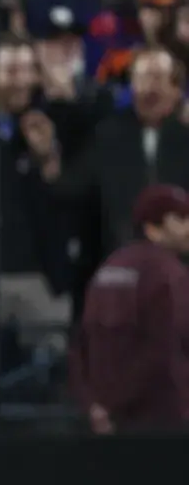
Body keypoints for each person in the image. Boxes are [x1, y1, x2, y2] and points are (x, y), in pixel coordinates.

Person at [70, 184, 189, 434]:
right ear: (152, 228)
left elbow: (79, 345)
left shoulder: (107, 267)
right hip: (161, 421)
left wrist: (95, 406)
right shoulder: (168, 273)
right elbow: (163, 350)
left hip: (108, 422)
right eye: (180, 219)